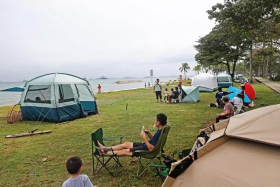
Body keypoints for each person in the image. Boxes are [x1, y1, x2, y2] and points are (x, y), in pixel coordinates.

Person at [97, 113, 167, 157]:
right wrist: (148, 133)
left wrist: (144, 137)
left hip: (144, 150)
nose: (154, 121)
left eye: (156, 120)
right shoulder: (161, 130)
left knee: (124, 151)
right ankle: (105, 148)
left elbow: (151, 148)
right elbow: (154, 140)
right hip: (144, 145)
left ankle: (104, 153)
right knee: (126, 144)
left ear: (158, 122)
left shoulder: (159, 133)